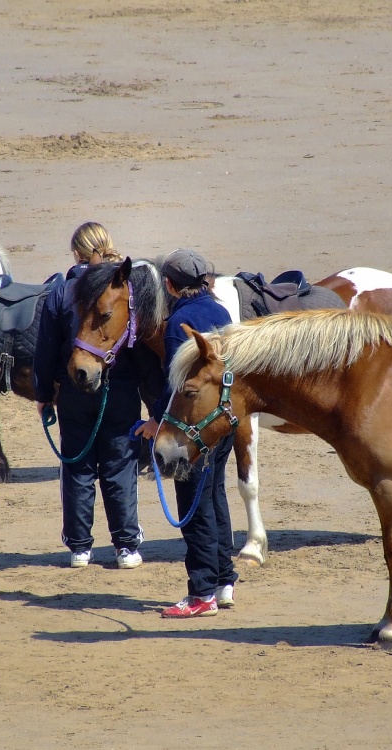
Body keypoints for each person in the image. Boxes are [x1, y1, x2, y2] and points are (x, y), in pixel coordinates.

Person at [33, 222, 149, 569]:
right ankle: (126, 546)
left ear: (76, 253)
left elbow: (46, 349)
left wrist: (43, 393)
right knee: (120, 464)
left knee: (77, 465)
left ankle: (80, 547)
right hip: (121, 390)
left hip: (74, 391)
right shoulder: (123, 288)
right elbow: (139, 346)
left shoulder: (61, 291)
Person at [135, 248, 238, 617]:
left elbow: (175, 384)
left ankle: (201, 594)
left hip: (192, 427)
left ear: (169, 286)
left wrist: (156, 421)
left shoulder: (182, 323)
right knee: (215, 497)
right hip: (222, 420)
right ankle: (224, 581)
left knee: (193, 507)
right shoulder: (222, 311)